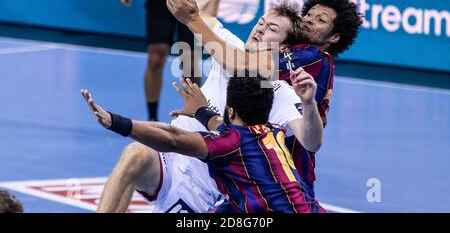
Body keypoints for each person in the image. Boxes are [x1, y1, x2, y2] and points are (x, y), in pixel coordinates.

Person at [95, 0, 361, 213]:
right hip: (179, 161)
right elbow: (202, 11)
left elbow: (309, 138)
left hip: (245, 178)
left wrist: (192, 21)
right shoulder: (233, 49)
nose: (309, 20)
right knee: (134, 155)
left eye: (320, 20)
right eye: (260, 22)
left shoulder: (304, 67)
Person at [81, 75, 325, 213]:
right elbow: (218, 123)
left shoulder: (230, 143)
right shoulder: (273, 133)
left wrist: (115, 122)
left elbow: (172, 138)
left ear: (231, 109)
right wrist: (201, 112)